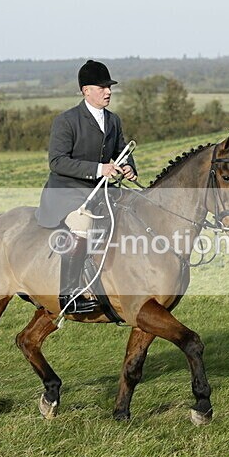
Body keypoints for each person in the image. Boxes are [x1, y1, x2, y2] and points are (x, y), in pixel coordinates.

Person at [35, 59, 138, 314]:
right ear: (86, 91)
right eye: (102, 87)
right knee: (83, 225)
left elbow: (122, 151)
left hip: (99, 191)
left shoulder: (113, 120)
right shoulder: (67, 121)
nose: (108, 91)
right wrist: (98, 169)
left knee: (134, 209)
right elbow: (57, 162)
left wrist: (128, 167)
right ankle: (69, 296)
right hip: (67, 192)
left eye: (109, 87)